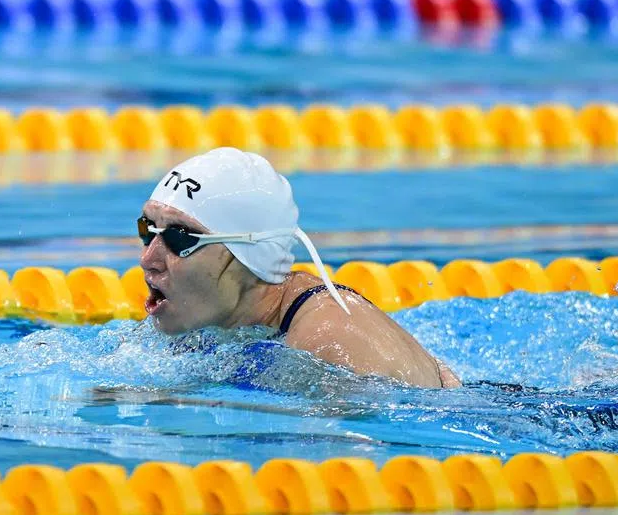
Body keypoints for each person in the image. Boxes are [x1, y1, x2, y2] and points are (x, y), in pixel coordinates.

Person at [138, 146, 461, 389]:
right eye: (147, 229)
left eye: (179, 238)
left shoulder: (330, 343)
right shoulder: (211, 320)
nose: (148, 260)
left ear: (250, 256)